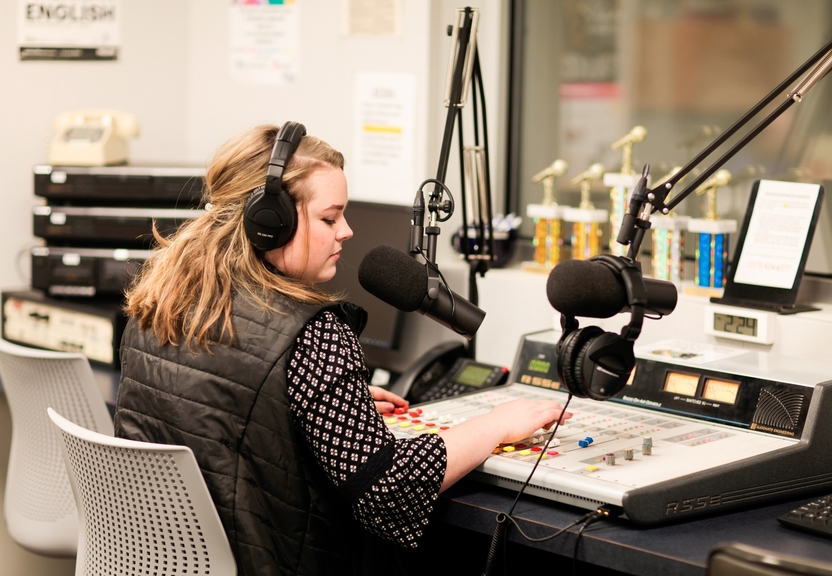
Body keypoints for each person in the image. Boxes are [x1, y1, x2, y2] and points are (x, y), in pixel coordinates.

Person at [113, 123, 572, 576]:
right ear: (269, 223)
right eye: (330, 218)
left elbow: (218, 407)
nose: (347, 231)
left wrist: (300, 404)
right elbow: (387, 489)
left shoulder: (160, 301)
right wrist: (493, 426)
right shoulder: (311, 333)